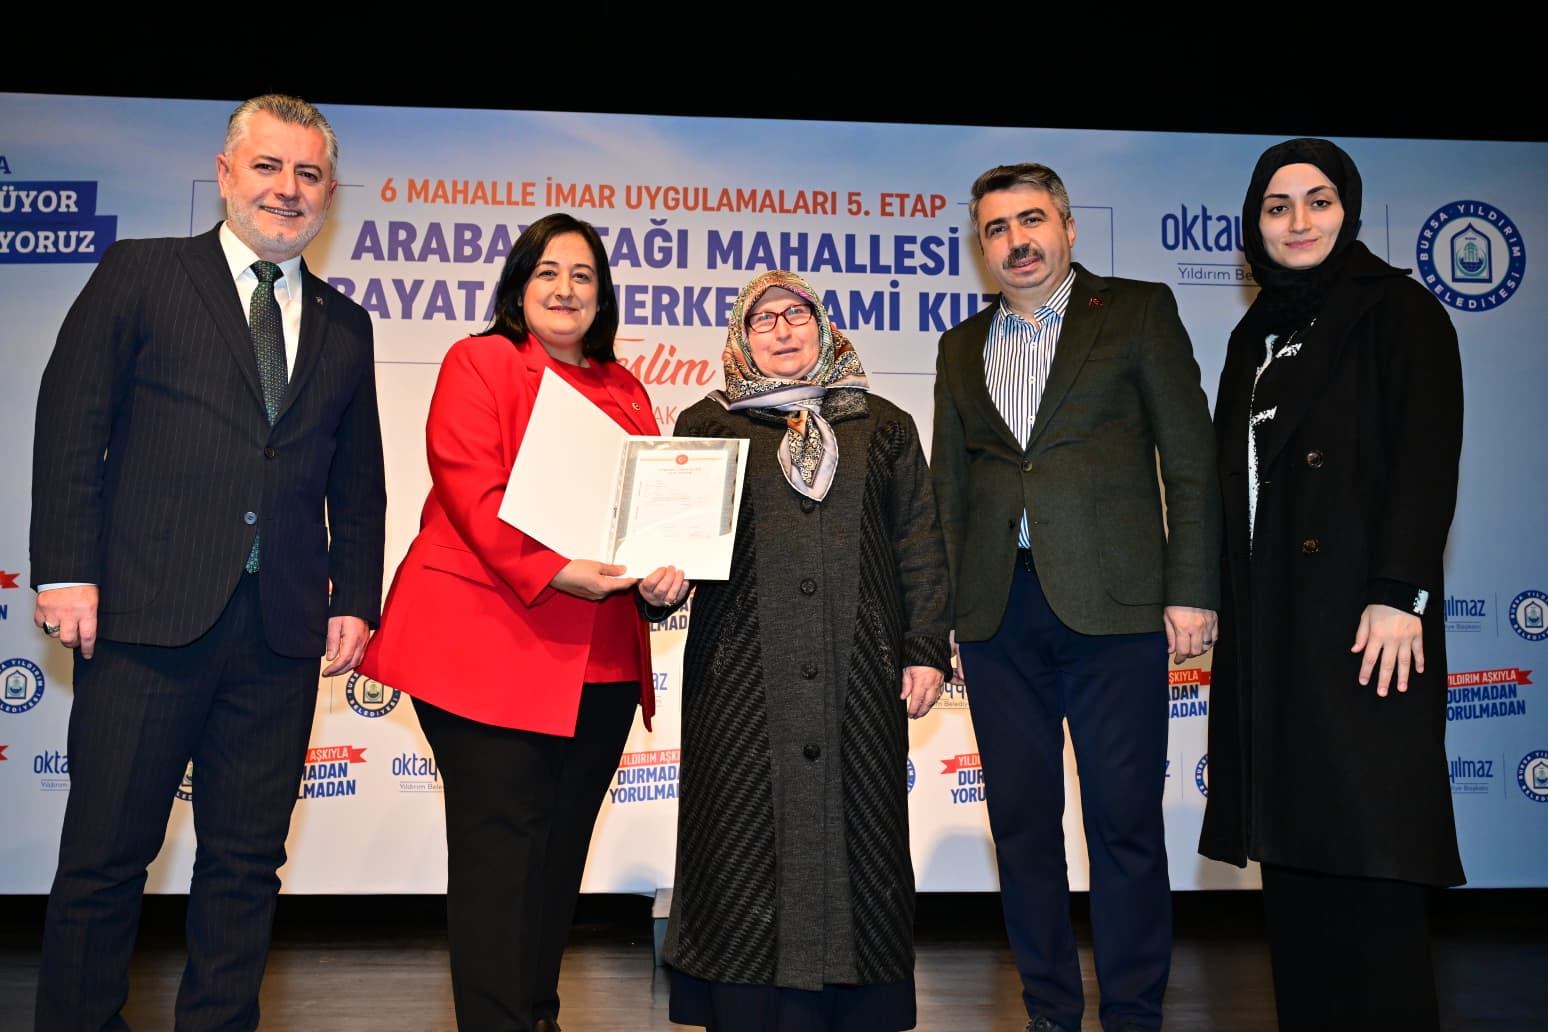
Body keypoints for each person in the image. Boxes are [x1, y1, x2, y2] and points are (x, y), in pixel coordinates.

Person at [29, 94, 386, 1031]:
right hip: (145, 621)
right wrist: (64, 569)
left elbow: (358, 480)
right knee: (105, 858)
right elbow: (72, 422)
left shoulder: (347, 325)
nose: (287, 189)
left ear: (329, 193)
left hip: (279, 636)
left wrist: (357, 597)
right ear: (226, 175)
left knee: (246, 865)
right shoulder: (142, 274)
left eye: (308, 173)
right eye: (267, 166)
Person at [356, 212, 685, 1032]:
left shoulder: (626, 389)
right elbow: (471, 488)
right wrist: (556, 569)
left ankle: (536, 1015)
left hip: (601, 663)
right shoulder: (480, 362)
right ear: (518, 287)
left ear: (603, 295)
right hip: (487, 649)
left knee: (557, 860)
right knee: (500, 861)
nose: (566, 289)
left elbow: (647, 517)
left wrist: (661, 577)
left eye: (583, 275)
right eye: (548, 272)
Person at [931, 163, 1222, 1032]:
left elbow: (1192, 460)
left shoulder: (1135, 313)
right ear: (981, 245)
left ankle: (1133, 1013)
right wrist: (941, 619)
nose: (1016, 241)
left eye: (1031, 220)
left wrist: (1191, 588)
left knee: (1124, 824)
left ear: (1066, 226)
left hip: (1117, 613)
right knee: (1022, 828)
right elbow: (949, 492)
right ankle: (1050, 1011)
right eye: (996, 228)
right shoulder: (959, 345)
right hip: (996, 615)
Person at [1198, 138, 1465, 1031]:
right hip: (1273, 627)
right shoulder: (1254, 335)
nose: (1298, 221)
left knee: (1372, 850)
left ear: (1347, 210)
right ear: (1256, 224)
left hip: (1367, 623)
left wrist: (1400, 591)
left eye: (1318, 201)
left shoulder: (1399, 310)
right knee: (1296, 857)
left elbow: (1426, 457)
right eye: (1277, 207)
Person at [661, 269, 951, 1032]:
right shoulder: (708, 424)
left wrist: (924, 646)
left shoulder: (882, 425)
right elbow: (671, 542)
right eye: (763, 320)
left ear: (824, 328)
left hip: (860, 679)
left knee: (863, 838)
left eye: (797, 314)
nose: (783, 329)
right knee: (739, 844)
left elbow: (919, 542)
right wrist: (655, 582)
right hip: (738, 683)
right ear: (740, 338)